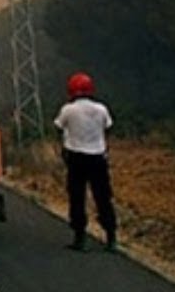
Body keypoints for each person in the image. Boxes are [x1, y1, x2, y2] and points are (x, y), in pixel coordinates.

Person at [54, 72, 117, 252]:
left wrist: (65, 146)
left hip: (76, 158)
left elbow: (59, 128)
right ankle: (111, 236)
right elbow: (108, 128)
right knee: (103, 197)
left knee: (77, 198)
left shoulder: (68, 110)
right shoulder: (101, 109)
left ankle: (79, 237)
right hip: (98, 157)